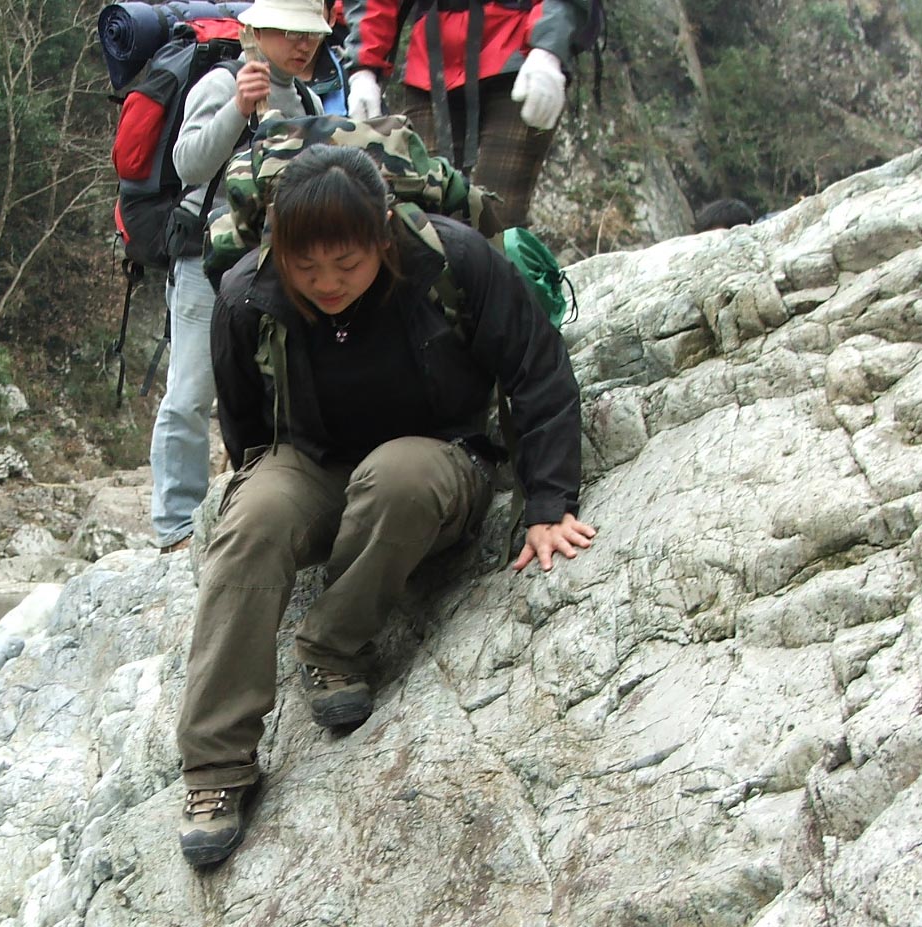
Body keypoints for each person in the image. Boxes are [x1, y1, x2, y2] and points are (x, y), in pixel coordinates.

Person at [176, 143, 596, 866]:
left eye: (346, 263)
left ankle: (332, 645)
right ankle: (216, 767)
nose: (326, 283)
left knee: (396, 480)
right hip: (312, 460)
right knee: (255, 518)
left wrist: (548, 503)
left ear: (384, 235)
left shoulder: (452, 262)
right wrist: (272, 504)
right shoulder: (247, 293)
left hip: (434, 457)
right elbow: (245, 427)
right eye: (306, 266)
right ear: (278, 248)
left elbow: (537, 369)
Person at [149, 0, 335, 554]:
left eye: (311, 35)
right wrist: (237, 108)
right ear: (255, 30)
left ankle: (251, 505)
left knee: (270, 386)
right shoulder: (220, 82)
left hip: (272, 264)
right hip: (203, 257)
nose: (303, 45)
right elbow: (187, 165)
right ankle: (175, 526)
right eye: (290, 32)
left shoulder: (307, 99)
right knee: (191, 390)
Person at [341, 0, 591, 228]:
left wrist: (547, 48)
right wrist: (363, 69)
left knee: (496, 220)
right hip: (430, 61)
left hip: (519, 56)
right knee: (422, 218)